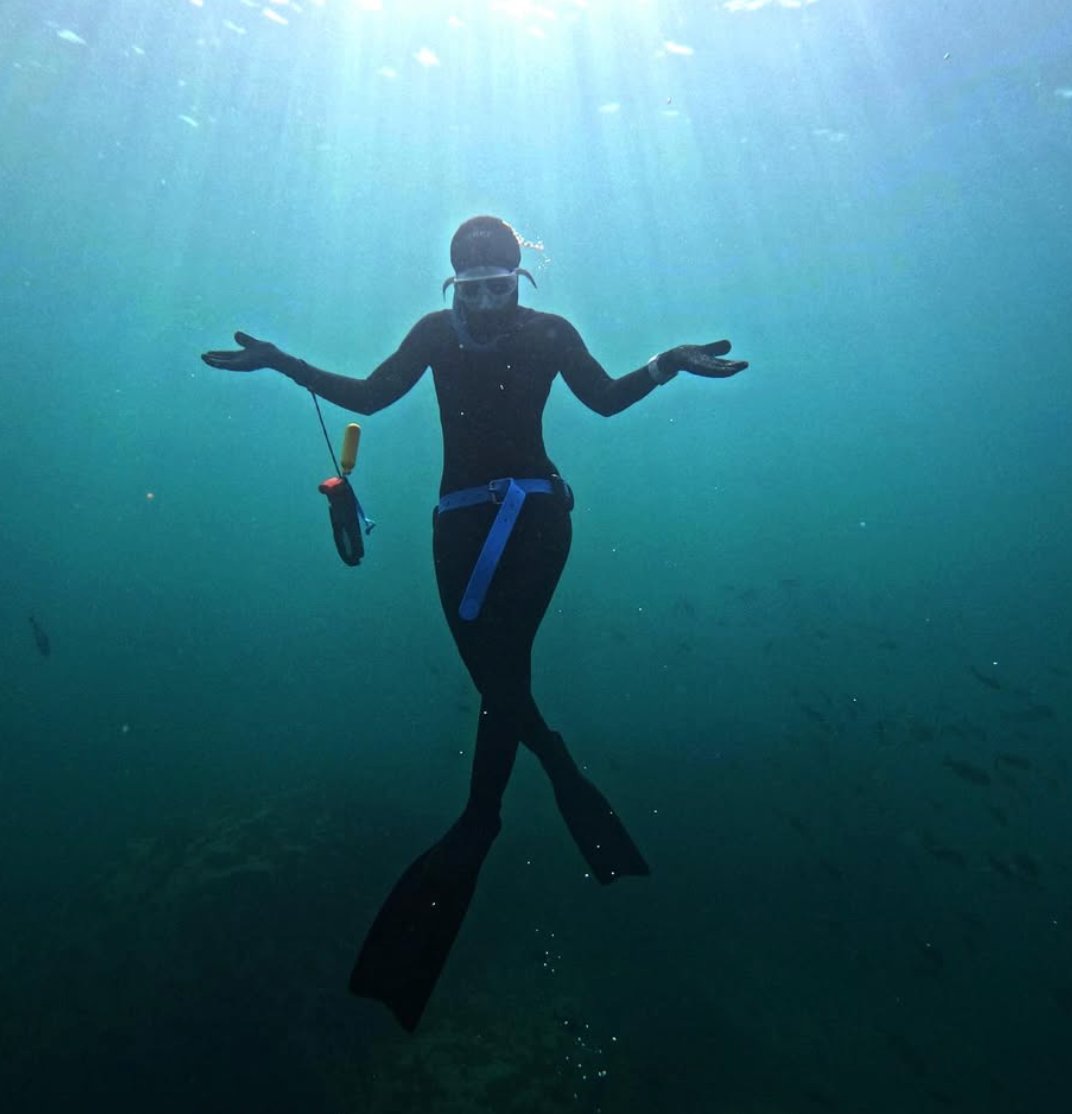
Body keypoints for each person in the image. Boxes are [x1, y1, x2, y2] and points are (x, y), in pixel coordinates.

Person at [202, 215, 748, 1031]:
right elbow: (370, 396)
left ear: (519, 281)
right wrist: (282, 363)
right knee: (499, 679)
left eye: (499, 288)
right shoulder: (433, 333)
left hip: (537, 519)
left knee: (502, 670)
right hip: (457, 527)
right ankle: (511, 797)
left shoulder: (551, 332)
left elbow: (604, 401)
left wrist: (666, 363)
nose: (486, 305)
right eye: (471, 290)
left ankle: (503, 804)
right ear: (452, 284)